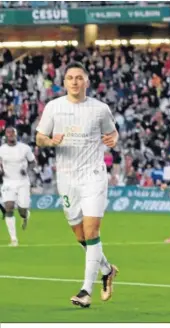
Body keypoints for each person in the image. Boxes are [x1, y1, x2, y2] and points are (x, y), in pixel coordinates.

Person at [35, 62, 119, 308]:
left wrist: (112, 139)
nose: (74, 81)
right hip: (67, 178)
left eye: (79, 77)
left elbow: (113, 133)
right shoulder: (54, 107)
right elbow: (39, 138)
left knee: (92, 231)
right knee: (80, 235)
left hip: (93, 175)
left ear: (87, 81)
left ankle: (85, 290)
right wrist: (50, 141)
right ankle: (107, 269)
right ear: (64, 83)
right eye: (70, 78)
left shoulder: (100, 109)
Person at [0, 127, 36, 246]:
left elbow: (33, 162)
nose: (11, 136)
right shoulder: (1, 150)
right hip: (8, 182)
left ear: (16, 135)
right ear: (6, 136)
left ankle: (26, 215)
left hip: (22, 182)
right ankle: (14, 239)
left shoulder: (25, 148)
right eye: (8, 134)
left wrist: (27, 170)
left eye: (12, 134)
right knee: (9, 207)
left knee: (22, 210)